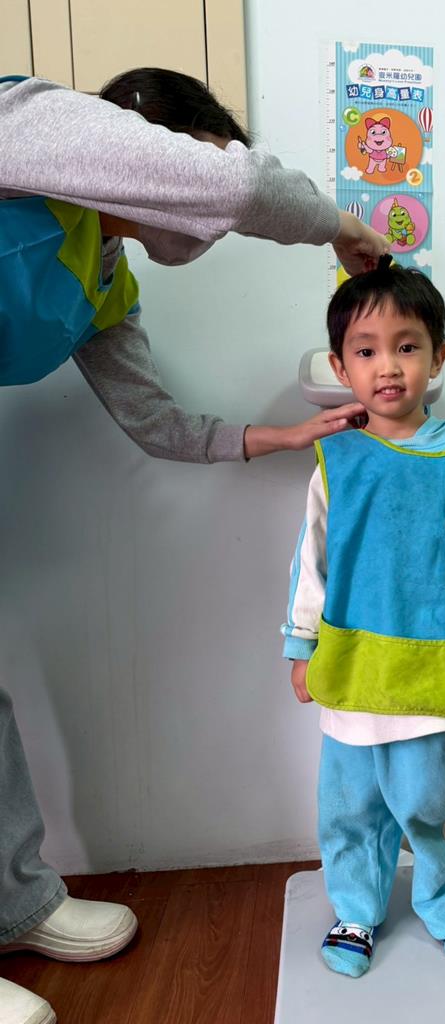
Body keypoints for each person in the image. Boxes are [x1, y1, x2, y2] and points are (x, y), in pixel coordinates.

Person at [0, 67, 388, 1024]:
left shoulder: (103, 275)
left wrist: (279, 438)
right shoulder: (29, 122)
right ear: (144, 142)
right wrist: (341, 227)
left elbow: (154, 423)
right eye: (193, 159)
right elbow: (238, 187)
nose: (202, 212)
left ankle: (16, 903)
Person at [281, 260, 445, 978]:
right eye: (366, 351)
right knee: (350, 805)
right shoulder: (335, 462)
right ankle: (355, 911)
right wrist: (301, 645)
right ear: (341, 366)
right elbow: (311, 562)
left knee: (438, 807)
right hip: (354, 673)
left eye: (406, 346)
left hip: (444, 675)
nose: (388, 366)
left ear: (437, 356)